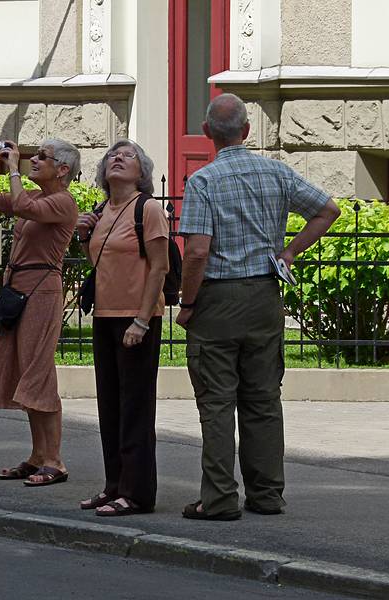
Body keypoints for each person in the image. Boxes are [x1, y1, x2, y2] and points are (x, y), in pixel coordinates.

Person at [177, 93, 340, 520]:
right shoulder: (277, 173)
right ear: (247, 131)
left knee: (216, 404)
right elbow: (328, 209)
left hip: (217, 300)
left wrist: (187, 302)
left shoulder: (203, 181)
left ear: (208, 132)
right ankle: (267, 495)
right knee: (263, 400)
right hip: (264, 297)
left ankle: (218, 499)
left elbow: (196, 252)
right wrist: (288, 252)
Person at [0, 138, 79, 486]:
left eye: (41, 157)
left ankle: (55, 460)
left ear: (62, 170)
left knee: (38, 372)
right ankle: (37, 455)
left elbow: (20, 205)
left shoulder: (62, 202)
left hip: (42, 292)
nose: (33, 160)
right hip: (18, 291)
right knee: (23, 370)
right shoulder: (39, 198)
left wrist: (13, 169)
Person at [76, 140, 169, 516]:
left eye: (128, 155)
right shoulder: (102, 211)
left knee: (135, 408)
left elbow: (159, 267)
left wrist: (142, 320)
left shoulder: (148, 209)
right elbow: (101, 262)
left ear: (141, 171)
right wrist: (84, 236)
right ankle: (113, 484)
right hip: (105, 315)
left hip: (137, 318)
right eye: (113, 155)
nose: (118, 158)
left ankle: (137, 492)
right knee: (110, 405)